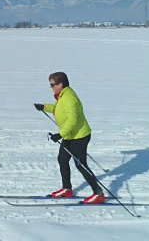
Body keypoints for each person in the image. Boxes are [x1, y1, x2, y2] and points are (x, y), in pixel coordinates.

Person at [34, 72, 106, 204]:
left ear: (60, 84)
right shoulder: (63, 95)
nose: (51, 87)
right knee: (62, 159)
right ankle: (67, 189)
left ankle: (98, 193)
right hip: (70, 135)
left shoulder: (69, 98)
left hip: (79, 136)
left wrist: (60, 135)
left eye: (52, 85)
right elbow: (58, 109)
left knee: (80, 165)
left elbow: (72, 121)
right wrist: (44, 107)